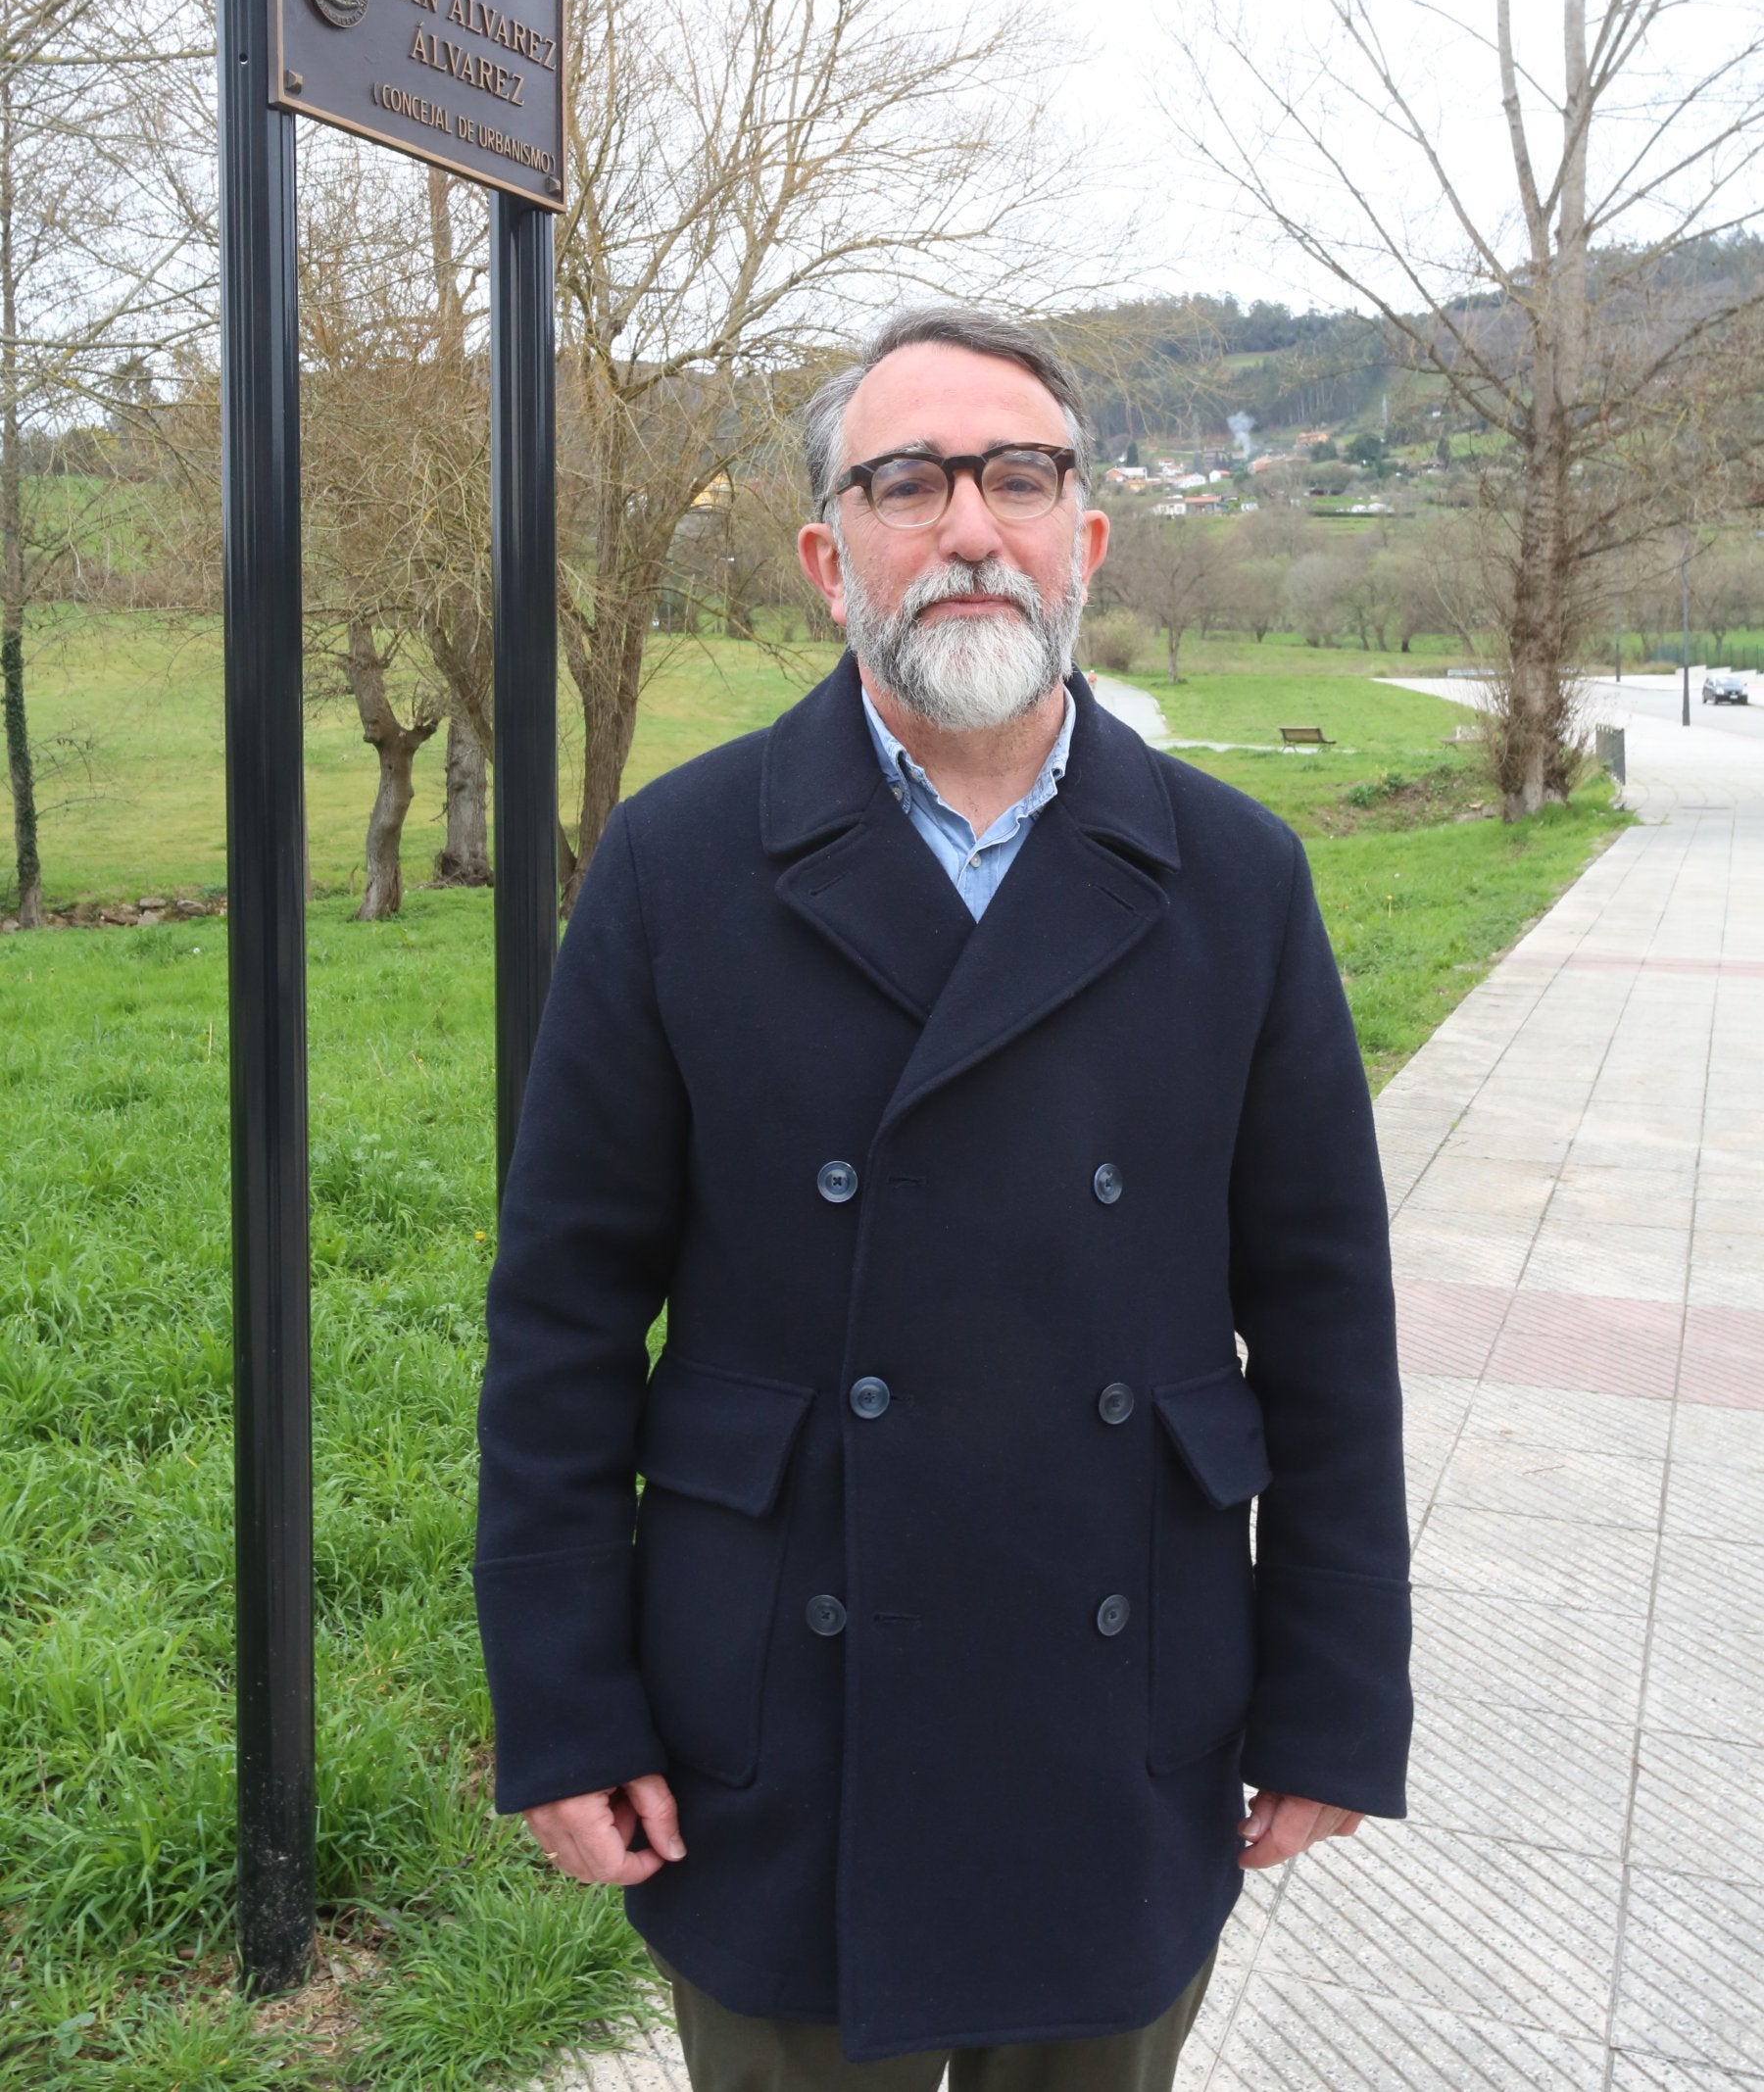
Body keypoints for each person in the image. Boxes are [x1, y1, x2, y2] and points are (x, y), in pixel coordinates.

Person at [474, 306, 1410, 2090]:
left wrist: (1337, 1694)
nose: (971, 525)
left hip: (1122, 1712)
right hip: (785, 1718)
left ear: (1085, 538)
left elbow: (1325, 1329)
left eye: (1020, 478)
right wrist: (563, 1701)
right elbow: (564, 1322)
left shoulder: (1238, 878)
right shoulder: (677, 865)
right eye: (908, 482)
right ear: (831, 559)